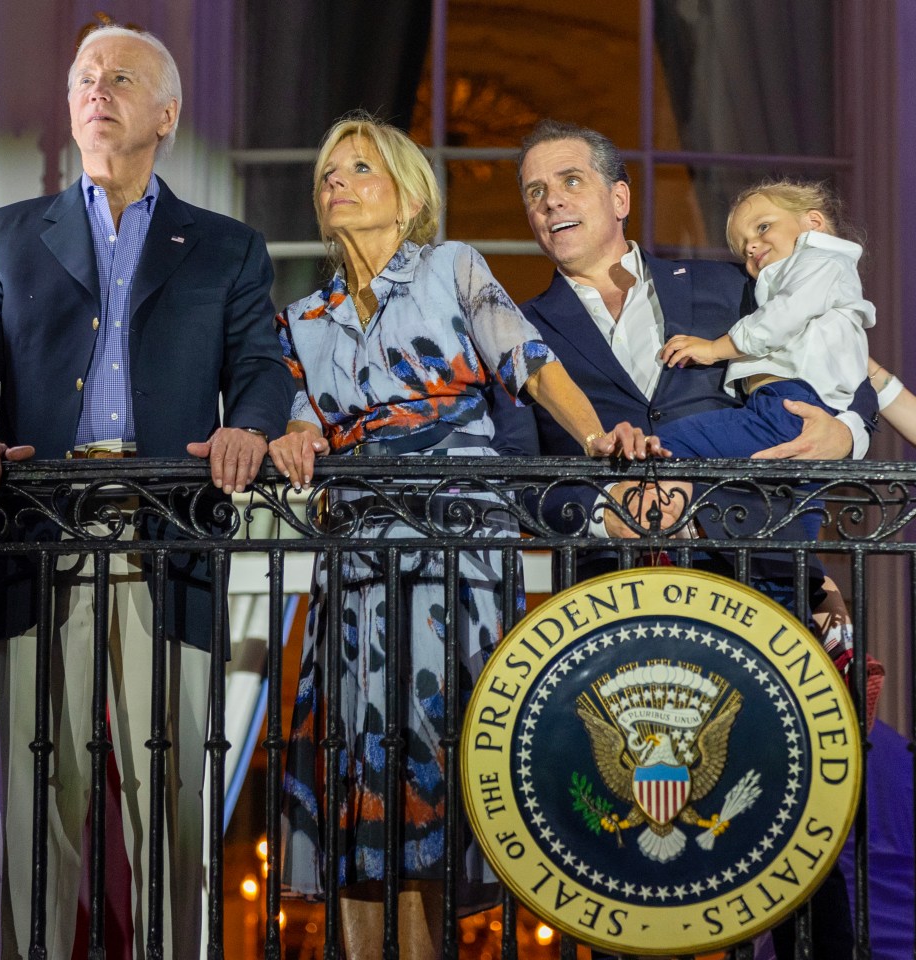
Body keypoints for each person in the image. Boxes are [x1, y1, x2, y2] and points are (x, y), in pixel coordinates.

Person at [0, 24, 294, 960]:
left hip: (169, 538)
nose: (98, 89)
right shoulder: (4, 236)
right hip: (40, 535)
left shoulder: (227, 248)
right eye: (85, 77)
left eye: (121, 77)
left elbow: (259, 366)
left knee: (175, 796)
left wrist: (250, 425)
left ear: (164, 115)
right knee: (41, 796)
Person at [268, 112, 659, 960]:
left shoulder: (453, 268)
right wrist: (293, 436)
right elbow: (299, 417)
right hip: (359, 570)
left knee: (439, 774)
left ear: (408, 198)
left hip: (458, 561)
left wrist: (597, 440)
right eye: (328, 172)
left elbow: (530, 362)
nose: (336, 181)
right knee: (358, 783)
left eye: (359, 167)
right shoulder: (303, 317)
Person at [508, 119, 877, 960]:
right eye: (534, 190)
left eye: (567, 180)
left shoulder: (725, 287)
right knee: (612, 855)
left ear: (618, 197)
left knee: (793, 834)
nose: (549, 201)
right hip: (608, 615)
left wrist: (846, 434)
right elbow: (517, 476)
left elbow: (834, 360)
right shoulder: (521, 330)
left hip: (759, 578)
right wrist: (603, 514)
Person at [657, 179, 875, 458]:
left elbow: (782, 317)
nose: (750, 247)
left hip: (792, 406)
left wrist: (714, 349)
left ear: (814, 222)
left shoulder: (823, 262)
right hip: (777, 406)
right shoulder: (803, 275)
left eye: (763, 227)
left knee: (668, 443)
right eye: (742, 246)